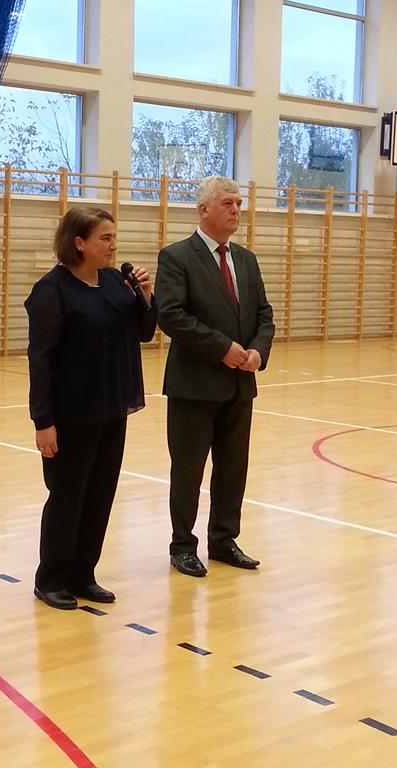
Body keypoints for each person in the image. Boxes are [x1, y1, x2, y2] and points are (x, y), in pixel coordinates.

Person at [25, 207, 157, 610]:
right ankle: (51, 579)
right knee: (67, 496)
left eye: (114, 237)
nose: (113, 245)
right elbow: (41, 359)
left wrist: (146, 296)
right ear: (79, 242)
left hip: (112, 406)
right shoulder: (52, 290)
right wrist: (43, 421)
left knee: (100, 495)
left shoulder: (117, 282)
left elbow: (144, 333)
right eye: (105, 238)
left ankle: (83, 573)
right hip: (70, 413)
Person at [155, 176, 275, 578]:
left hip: (240, 384)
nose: (236, 210)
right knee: (188, 470)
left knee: (233, 468)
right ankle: (182, 545)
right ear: (203, 209)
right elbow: (171, 315)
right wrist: (222, 348)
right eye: (228, 203)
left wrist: (258, 351)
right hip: (194, 385)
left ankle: (223, 540)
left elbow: (264, 315)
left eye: (239, 203)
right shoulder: (176, 257)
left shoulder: (247, 259)